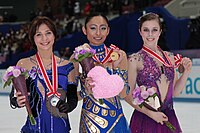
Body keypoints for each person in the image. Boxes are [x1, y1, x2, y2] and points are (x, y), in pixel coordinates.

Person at [125, 12, 192, 133]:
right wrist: (151, 113)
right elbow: (127, 95)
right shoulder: (134, 60)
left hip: (169, 117)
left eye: (154, 30)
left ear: (160, 32)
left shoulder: (170, 58)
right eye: (146, 30)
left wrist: (186, 72)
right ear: (140, 32)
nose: (150, 34)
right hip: (145, 118)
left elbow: (175, 93)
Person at [9, 16, 78, 133]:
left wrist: (69, 106)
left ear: (54, 35)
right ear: (33, 39)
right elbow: (14, 95)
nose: (44, 38)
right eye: (38, 34)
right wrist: (16, 101)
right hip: (34, 128)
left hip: (60, 127)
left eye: (48, 33)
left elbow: (73, 98)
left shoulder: (67, 66)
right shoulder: (23, 64)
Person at [72, 13, 130, 132]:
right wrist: (85, 92)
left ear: (108, 30)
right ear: (84, 30)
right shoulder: (77, 58)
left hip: (116, 119)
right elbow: (72, 97)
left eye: (103, 28)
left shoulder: (119, 55)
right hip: (91, 122)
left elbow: (124, 94)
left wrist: (116, 69)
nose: (98, 33)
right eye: (93, 28)